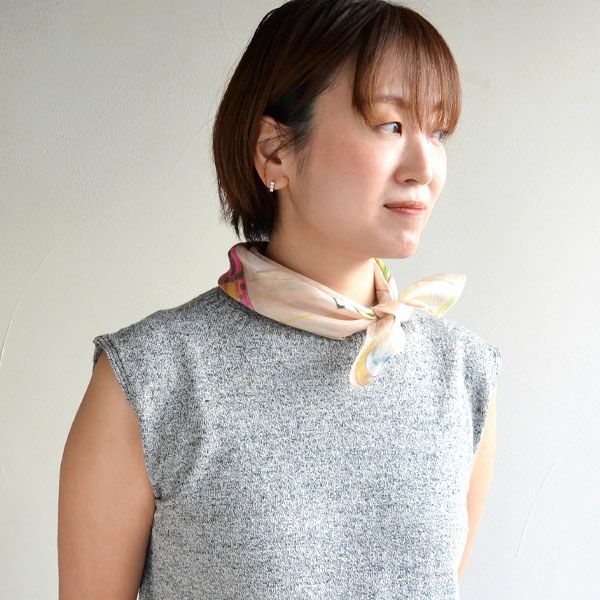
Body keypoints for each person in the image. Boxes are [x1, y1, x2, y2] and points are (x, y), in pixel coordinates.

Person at [58, 1, 502, 598]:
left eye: (438, 131)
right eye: (390, 125)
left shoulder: (464, 375)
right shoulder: (150, 378)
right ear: (275, 152)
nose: (425, 166)